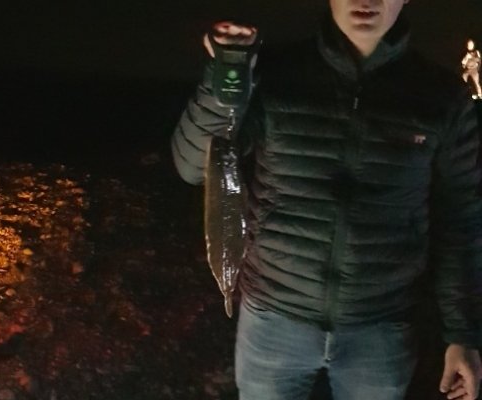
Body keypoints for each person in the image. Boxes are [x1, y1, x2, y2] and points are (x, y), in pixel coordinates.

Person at [171, 1, 482, 399]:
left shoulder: (444, 96)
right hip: (272, 317)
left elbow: (461, 221)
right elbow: (194, 165)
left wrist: (463, 335)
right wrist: (225, 77)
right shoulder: (276, 73)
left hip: (383, 327)